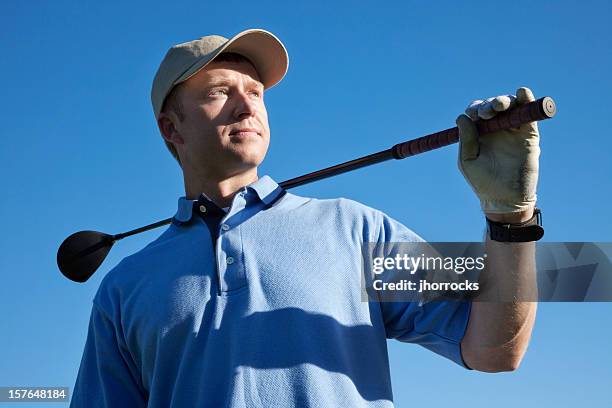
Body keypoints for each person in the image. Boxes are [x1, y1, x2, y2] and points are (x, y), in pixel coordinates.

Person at [70, 28, 541, 407]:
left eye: (255, 91)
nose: (247, 104)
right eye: (220, 91)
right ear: (171, 129)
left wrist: (511, 219)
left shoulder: (357, 229)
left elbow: (496, 350)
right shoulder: (124, 287)